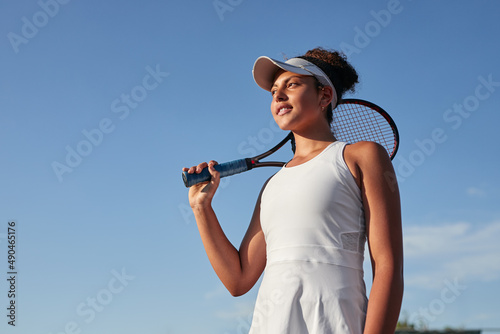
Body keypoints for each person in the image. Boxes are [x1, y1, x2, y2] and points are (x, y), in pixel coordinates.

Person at [182, 47, 403, 334]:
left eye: (292, 84)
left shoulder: (363, 156)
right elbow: (238, 280)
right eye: (274, 90)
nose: (278, 95)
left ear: (324, 96)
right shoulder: (272, 185)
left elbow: (388, 265)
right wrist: (202, 208)